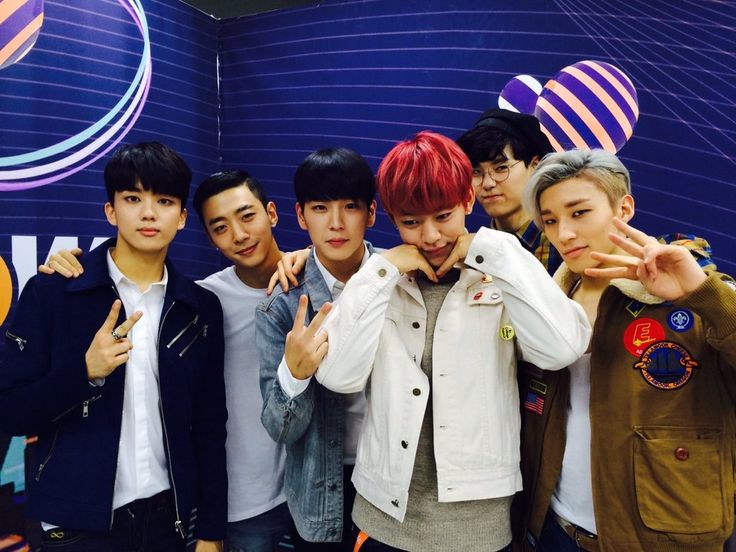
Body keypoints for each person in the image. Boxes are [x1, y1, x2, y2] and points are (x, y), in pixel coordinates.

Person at [313, 131, 591, 552]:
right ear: (391, 218)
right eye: (411, 222)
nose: (430, 236)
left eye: (443, 216)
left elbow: (561, 349)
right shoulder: (380, 285)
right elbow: (339, 376)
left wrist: (494, 249)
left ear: (468, 200)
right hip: (383, 518)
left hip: (478, 525)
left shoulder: (502, 276)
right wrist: (381, 270)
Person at [40, 170, 300, 552]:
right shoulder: (201, 302)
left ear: (272, 213)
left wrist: (311, 257)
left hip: (309, 491)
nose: (239, 234)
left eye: (247, 216)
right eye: (220, 227)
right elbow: (208, 423)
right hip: (237, 504)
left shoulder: (308, 281)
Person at [0, 142, 227, 551]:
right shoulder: (54, 292)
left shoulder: (199, 307)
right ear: (111, 211)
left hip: (169, 522)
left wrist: (211, 532)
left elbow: (210, 426)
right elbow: (10, 410)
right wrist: (83, 373)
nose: (148, 213)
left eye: (164, 201)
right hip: (76, 526)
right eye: (133, 199)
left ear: (181, 217)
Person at [516, 148, 736, 551]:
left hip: (660, 539)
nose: (564, 233)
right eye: (550, 220)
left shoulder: (694, 293)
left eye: (579, 212)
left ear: (624, 208)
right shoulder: (549, 303)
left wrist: (701, 294)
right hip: (555, 528)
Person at [255, 148, 377, 551]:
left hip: (393, 486)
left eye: (350, 206)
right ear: (301, 215)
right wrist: (294, 375)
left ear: (371, 213)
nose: (336, 223)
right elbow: (280, 430)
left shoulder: (399, 282)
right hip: (319, 492)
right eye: (321, 208)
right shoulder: (281, 304)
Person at [456, 108, 561, 274]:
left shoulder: (564, 241)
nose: (488, 183)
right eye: (476, 172)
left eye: (501, 168)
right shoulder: (470, 251)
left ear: (535, 165)